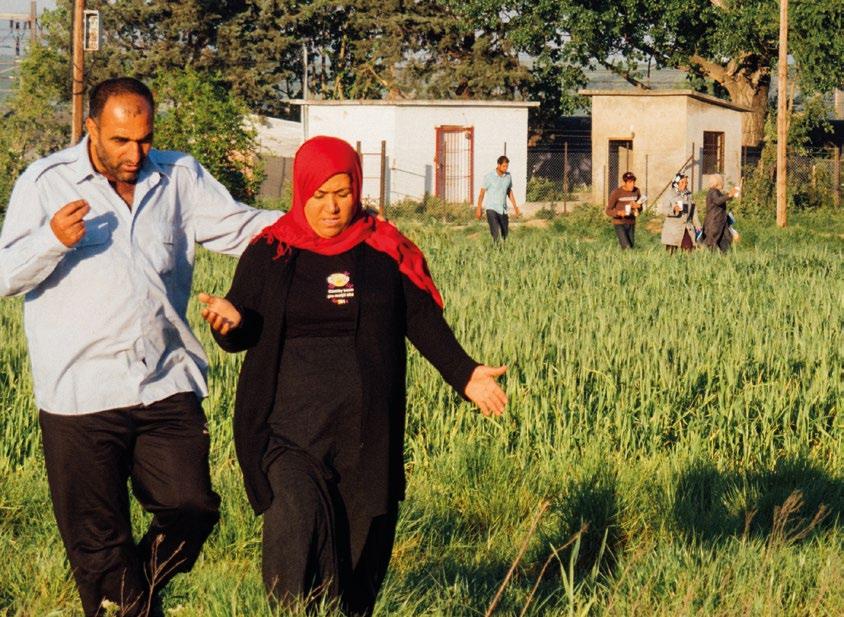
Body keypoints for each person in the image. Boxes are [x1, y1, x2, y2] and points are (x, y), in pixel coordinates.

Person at [0, 77, 281, 616]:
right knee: (99, 549)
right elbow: (8, 275)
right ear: (91, 130)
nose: (135, 154)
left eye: (144, 139)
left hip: (165, 381)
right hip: (79, 394)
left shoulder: (179, 176)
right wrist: (51, 241)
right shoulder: (46, 181)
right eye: (121, 142)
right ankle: (123, 599)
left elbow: (241, 226)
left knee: (192, 508)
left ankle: (129, 592)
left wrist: (319, 228)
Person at [198, 136, 508, 615]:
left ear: (357, 189)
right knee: (294, 515)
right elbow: (242, 327)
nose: (331, 207)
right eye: (319, 195)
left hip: (364, 432)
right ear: (301, 192)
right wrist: (231, 326)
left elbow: (421, 320)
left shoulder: (383, 252)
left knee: (360, 545)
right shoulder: (271, 252)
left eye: (341, 193)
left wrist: (465, 374)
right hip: (286, 430)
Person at [475, 155, 521, 241]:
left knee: (505, 235)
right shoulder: (489, 177)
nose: (505, 168)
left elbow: (509, 192)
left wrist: (515, 207)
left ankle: (503, 252)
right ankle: (496, 251)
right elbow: (481, 194)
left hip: (502, 209)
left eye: (507, 166)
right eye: (504, 166)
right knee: (496, 234)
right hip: (491, 208)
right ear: (498, 165)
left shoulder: (508, 177)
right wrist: (479, 208)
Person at [657, 173, 700, 253]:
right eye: (682, 182)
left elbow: (693, 211)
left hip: (686, 227)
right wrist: (674, 210)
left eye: (686, 182)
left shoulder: (689, 195)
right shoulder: (669, 194)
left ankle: (687, 265)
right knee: (671, 253)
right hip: (673, 229)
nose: (685, 185)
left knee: (689, 249)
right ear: (676, 183)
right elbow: (664, 210)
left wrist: (697, 225)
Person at [702, 173, 739, 253]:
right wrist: (729, 195)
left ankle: (725, 259)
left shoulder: (716, 192)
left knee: (725, 241)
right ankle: (713, 260)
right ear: (718, 182)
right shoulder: (713, 191)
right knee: (712, 244)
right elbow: (718, 200)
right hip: (714, 222)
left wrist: (730, 195)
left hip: (720, 222)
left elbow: (721, 199)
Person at [605, 171, 643, 249]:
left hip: (631, 222)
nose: (632, 184)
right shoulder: (617, 193)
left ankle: (626, 260)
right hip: (619, 222)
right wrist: (619, 213)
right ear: (624, 182)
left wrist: (638, 207)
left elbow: (640, 206)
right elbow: (608, 210)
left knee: (631, 246)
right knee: (627, 247)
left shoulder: (637, 191)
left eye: (633, 182)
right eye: (629, 182)